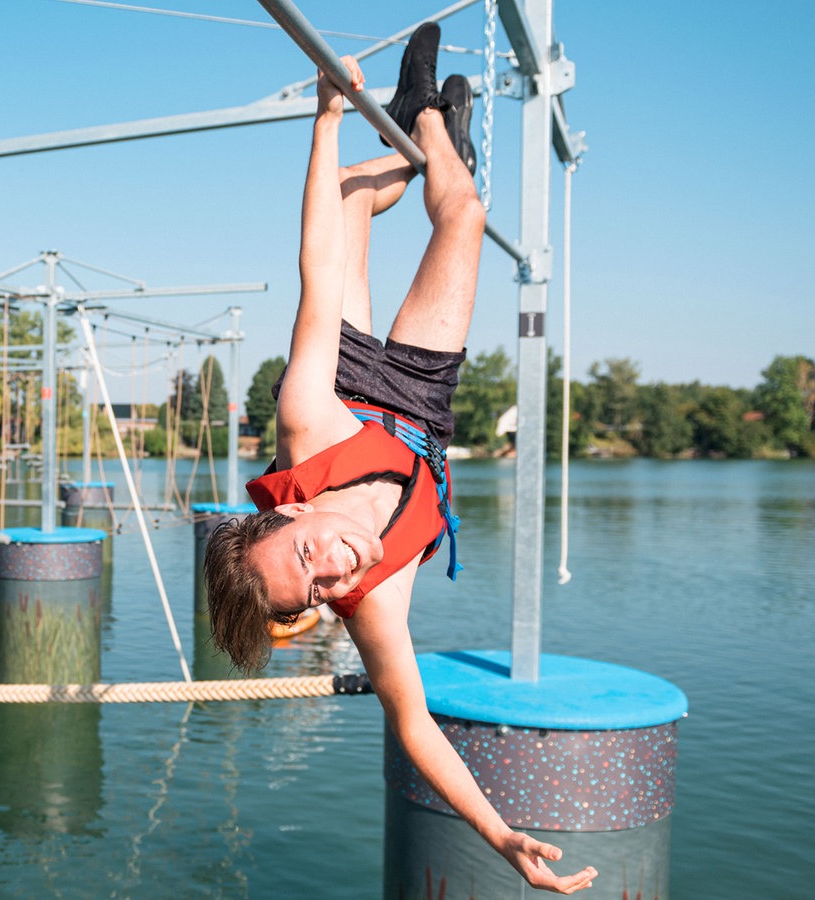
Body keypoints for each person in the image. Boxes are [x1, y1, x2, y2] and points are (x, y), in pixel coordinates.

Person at [202, 32, 596, 896]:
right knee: (464, 215)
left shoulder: (303, 424)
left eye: (307, 558)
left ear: (297, 513)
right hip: (415, 408)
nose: (332, 574)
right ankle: (427, 119)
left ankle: (401, 137)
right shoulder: (370, 603)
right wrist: (501, 836)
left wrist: (326, 117)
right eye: (313, 595)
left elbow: (314, 273)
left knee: (342, 213)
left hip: (343, 387)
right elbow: (414, 724)